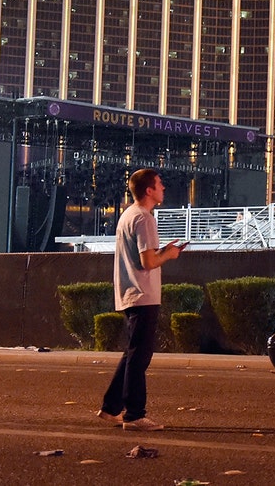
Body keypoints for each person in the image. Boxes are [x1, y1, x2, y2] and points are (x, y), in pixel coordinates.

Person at [96, 168, 187, 431]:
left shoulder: (128, 214)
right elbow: (148, 262)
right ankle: (134, 415)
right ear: (149, 190)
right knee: (139, 357)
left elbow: (141, 257)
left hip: (129, 292)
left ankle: (111, 408)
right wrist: (168, 255)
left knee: (132, 354)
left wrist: (163, 251)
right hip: (142, 294)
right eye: (159, 184)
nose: (163, 188)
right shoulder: (145, 219)